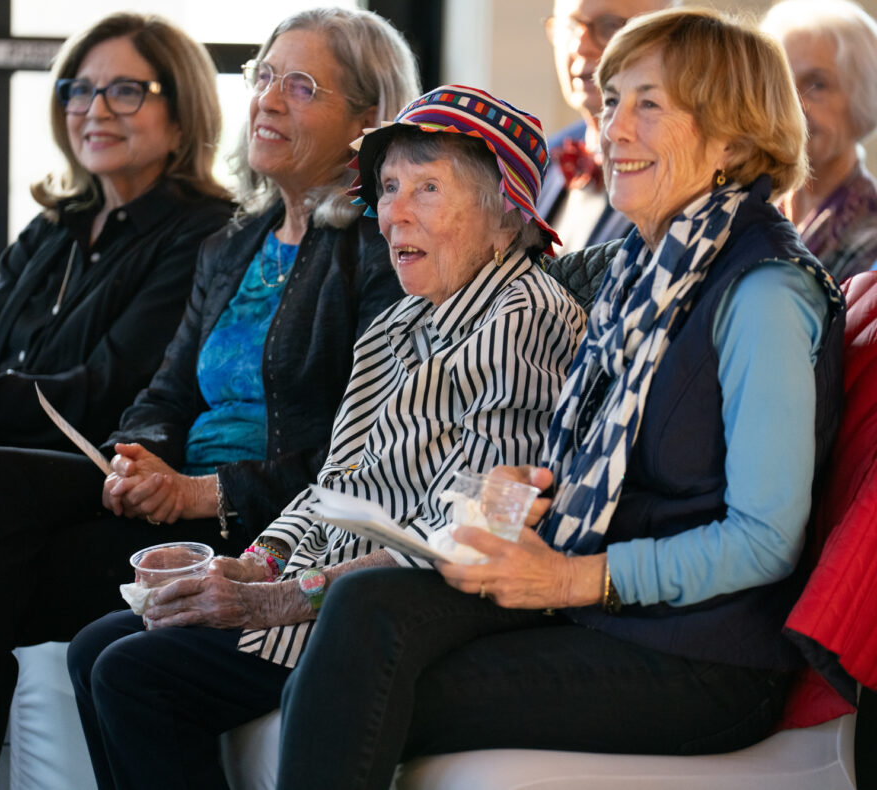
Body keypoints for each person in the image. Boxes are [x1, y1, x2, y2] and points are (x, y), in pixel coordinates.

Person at [275, 10, 848, 788]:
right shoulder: (647, 267)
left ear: (733, 141)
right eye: (611, 101)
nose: (614, 126)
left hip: (701, 658)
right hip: (604, 608)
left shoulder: (764, 291)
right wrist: (518, 495)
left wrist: (571, 580)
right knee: (365, 606)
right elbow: (606, 468)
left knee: (352, 677)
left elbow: (763, 542)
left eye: (649, 103)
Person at [0, 8, 419, 790]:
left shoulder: (381, 250)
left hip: (261, 519)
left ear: (368, 121)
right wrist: (141, 456)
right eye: (263, 76)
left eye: (301, 86)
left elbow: (361, 448)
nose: (267, 98)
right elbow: (162, 394)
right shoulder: (235, 244)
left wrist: (201, 490)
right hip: (174, 497)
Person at [67, 84, 584, 790]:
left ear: (506, 214)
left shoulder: (522, 317)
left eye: (428, 188)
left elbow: (477, 530)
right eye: (390, 187)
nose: (394, 213)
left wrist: (280, 598)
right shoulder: (399, 322)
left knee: (133, 673)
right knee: (95, 646)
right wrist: (257, 563)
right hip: (319, 585)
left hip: (387, 609)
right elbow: (334, 480)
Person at [0, 12, 234, 784]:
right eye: (79, 90)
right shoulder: (57, 225)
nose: (94, 110)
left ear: (181, 110)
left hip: (79, 473)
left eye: (125, 91)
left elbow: (104, 394)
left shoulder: (205, 234)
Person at [535, 0, 670, 261]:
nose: (579, 47)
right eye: (569, 26)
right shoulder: (542, 157)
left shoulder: (681, 177)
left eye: (609, 26)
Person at [762, 0, 877, 282]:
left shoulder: (870, 238)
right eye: (780, 84)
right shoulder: (755, 206)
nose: (792, 106)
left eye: (817, 84)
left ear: (862, 96)